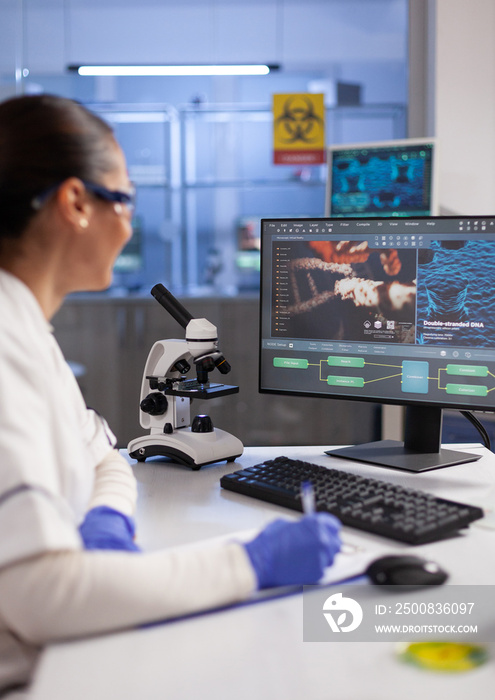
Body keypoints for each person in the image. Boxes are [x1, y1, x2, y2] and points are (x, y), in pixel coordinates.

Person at [0, 94, 342, 698]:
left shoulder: (26, 327)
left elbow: (101, 450)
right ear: (77, 203)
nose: (130, 223)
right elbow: (44, 598)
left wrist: (106, 517)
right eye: (125, 199)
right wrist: (250, 564)